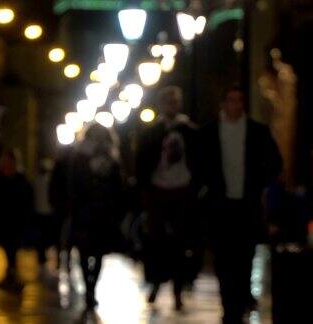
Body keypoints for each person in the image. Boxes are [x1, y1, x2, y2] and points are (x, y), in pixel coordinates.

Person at [198, 85, 282, 324]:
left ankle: (237, 304)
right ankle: (229, 305)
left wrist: (259, 183)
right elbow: (199, 165)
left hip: (247, 205)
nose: (235, 105)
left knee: (244, 257)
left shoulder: (257, 132)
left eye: (239, 100)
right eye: (231, 100)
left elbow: (275, 162)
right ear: (223, 104)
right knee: (223, 258)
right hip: (220, 205)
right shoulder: (209, 133)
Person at [136, 86, 202, 311]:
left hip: (182, 191)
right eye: (167, 101)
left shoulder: (190, 132)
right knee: (157, 242)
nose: (171, 105)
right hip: (159, 191)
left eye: (174, 101)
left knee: (180, 243)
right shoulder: (152, 133)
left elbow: (200, 162)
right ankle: (156, 283)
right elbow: (142, 164)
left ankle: (177, 289)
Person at [68, 124, 125, 309]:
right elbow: (74, 183)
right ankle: (88, 288)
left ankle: (91, 287)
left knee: (99, 253)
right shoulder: (80, 157)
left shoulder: (112, 157)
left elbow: (118, 186)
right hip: (85, 212)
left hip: (103, 213)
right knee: (84, 253)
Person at [0, 148, 34, 290]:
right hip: (2, 221)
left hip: (16, 221)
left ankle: (11, 274)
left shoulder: (20, 181)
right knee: (7, 249)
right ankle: (11, 274)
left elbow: (27, 201)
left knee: (12, 249)